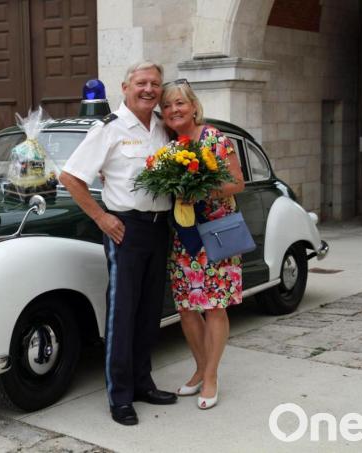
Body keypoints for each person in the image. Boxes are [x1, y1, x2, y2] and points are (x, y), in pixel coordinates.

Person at [59, 61, 177, 426]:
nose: (149, 89)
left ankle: (143, 382)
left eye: (155, 83)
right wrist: (101, 217)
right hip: (126, 229)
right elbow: (70, 177)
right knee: (123, 313)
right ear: (125, 88)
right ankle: (120, 395)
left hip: (160, 228)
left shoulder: (162, 127)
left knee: (149, 312)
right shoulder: (108, 129)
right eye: (141, 83)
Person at [159, 80, 245, 410]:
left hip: (216, 233)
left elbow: (237, 183)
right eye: (167, 105)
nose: (174, 110)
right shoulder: (169, 147)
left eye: (180, 103)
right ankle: (199, 368)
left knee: (214, 306)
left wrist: (200, 190)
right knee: (186, 307)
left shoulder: (214, 138)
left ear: (194, 106)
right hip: (185, 238)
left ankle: (211, 376)